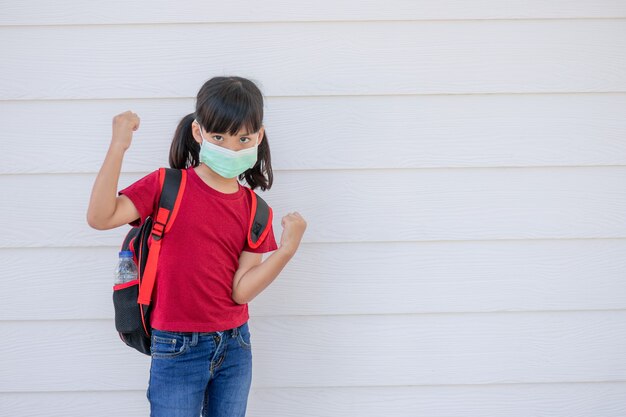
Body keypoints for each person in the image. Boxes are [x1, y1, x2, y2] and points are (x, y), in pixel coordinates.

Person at [86, 76, 307, 417]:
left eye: (243, 138)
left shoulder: (256, 211)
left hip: (235, 346)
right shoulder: (166, 185)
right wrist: (118, 146)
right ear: (198, 132)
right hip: (177, 346)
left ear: (258, 137)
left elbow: (241, 292)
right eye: (219, 136)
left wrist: (285, 251)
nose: (231, 148)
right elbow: (101, 217)